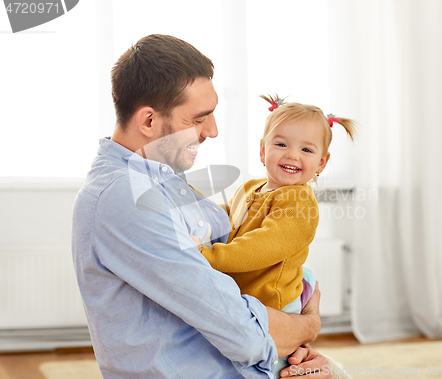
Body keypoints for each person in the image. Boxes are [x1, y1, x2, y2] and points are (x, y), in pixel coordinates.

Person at [72, 34, 335, 378]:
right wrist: (307, 325)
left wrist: (293, 346)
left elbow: (230, 234)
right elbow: (246, 336)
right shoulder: (125, 197)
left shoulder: (158, 175)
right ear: (149, 121)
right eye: (197, 119)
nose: (211, 131)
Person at [193, 95, 355, 377]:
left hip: (274, 303)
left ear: (321, 162)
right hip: (247, 295)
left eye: (306, 149)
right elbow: (227, 218)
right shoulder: (251, 187)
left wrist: (206, 256)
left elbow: (262, 247)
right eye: (281, 144)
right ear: (262, 150)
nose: (292, 155)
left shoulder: (299, 202)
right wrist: (195, 208)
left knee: (274, 365)